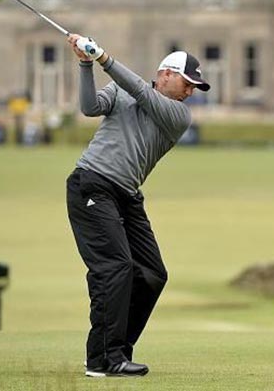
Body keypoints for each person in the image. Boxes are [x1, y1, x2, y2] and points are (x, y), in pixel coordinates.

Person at [65, 34, 210, 377]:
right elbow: (89, 107)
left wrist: (103, 57)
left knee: (152, 274)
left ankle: (116, 350)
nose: (190, 92)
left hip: (126, 194)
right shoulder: (119, 91)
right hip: (93, 183)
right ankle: (103, 358)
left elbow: (142, 94)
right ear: (165, 74)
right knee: (115, 267)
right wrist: (86, 64)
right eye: (187, 83)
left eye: (194, 87)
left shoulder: (177, 116)